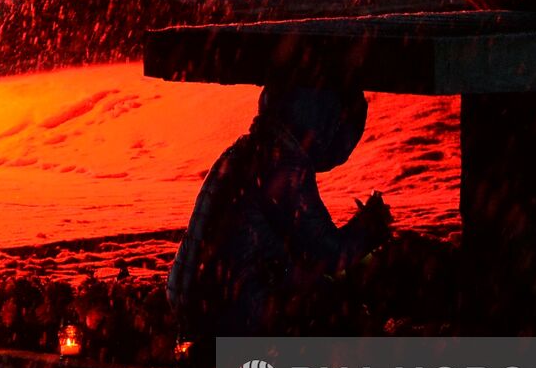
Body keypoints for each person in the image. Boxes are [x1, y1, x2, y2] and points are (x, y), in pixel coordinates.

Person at [167, 85, 393, 340]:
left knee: (311, 287)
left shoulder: (247, 150)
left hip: (195, 295)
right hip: (228, 305)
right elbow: (326, 252)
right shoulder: (282, 164)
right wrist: (369, 228)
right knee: (333, 304)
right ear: (323, 123)